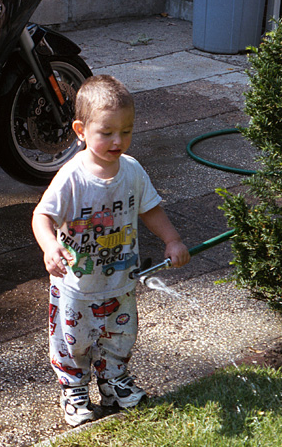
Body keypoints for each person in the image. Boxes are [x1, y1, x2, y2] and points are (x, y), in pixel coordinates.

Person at [32, 74, 190, 427]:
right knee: (73, 342)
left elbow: (149, 208)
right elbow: (42, 216)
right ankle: (74, 389)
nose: (118, 140)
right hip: (76, 287)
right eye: (107, 132)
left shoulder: (131, 171)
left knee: (120, 336)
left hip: (120, 281)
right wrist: (50, 246)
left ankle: (113, 381)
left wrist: (172, 239)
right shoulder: (72, 177)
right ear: (80, 129)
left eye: (127, 131)